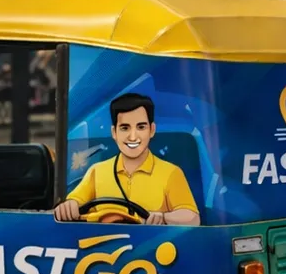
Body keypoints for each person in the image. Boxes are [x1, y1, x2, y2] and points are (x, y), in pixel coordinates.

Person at [54, 92, 200, 225]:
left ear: (152, 130)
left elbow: (193, 218)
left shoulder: (171, 173)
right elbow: (74, 202)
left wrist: (163, 218)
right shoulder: (96, 172)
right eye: (125, 128)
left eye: (141, 127)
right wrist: (69, 206)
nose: (133, 137)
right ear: (114, 132)